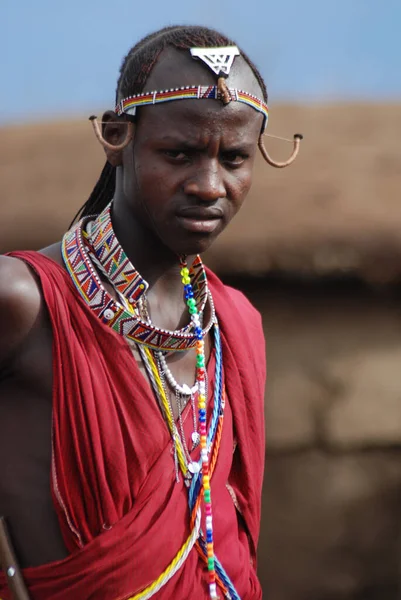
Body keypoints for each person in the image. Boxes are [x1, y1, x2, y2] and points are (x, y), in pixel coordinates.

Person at [0, 25, 301, 600]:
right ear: (117, 137)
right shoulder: (24, 301)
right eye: (179, 153)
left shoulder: (234, 323)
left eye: (235, 158)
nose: (210, 186)